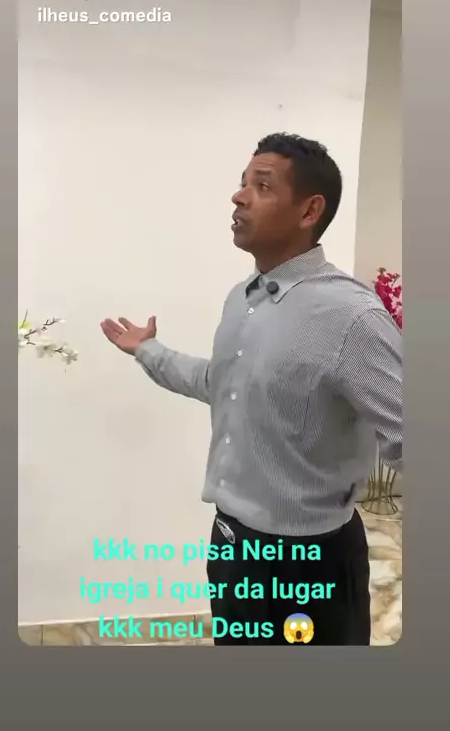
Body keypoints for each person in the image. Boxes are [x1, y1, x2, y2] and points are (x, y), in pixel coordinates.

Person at [101, 132, 402, 646]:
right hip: (232, 544)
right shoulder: (241, 300)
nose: (238, 197)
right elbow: (221, 384)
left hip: (310, 562)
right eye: (242, 183)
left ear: (309, 210)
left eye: (261, 186)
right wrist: (147, 351)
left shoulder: (353, 318)